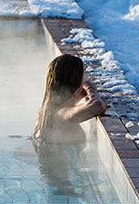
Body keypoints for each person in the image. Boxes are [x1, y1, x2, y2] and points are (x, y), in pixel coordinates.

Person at [31, 54, 108, 195]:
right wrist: (92, 94)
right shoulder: (61, 115)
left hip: (57, 174)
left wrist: (86, 88)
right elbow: (97, 106)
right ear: (76, 87)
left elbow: (87, 84)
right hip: (65, 183)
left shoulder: (47, 109)